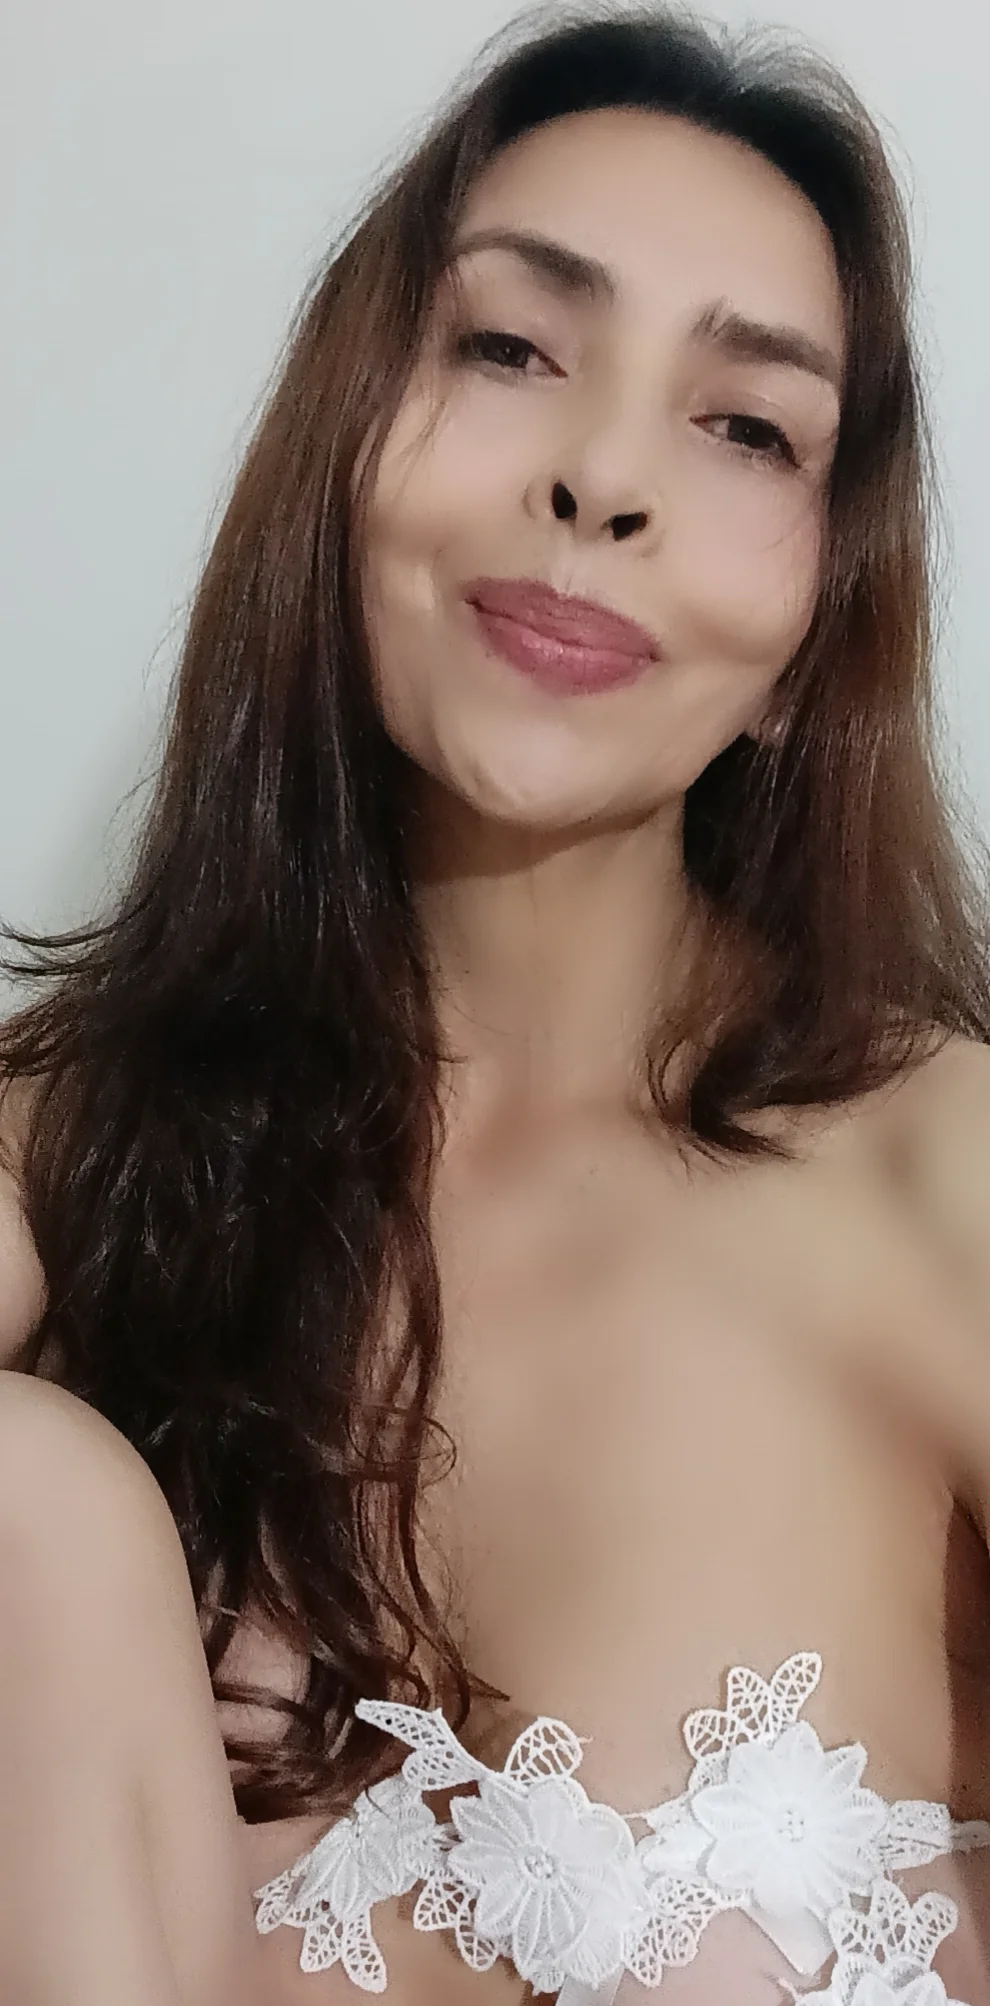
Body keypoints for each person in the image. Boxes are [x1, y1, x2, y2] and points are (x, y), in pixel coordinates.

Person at [3, 4, 990, 2001]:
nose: (601, 475)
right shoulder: (78, 1158)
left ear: (816, 628)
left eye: (745, 427)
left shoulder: (939, 1174)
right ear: (343, 451)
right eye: (513, 348)